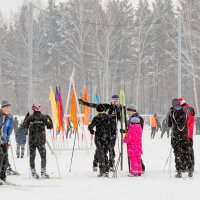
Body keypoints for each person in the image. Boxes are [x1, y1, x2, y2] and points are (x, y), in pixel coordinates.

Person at [79, 95, 121, 171]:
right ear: (111, 100)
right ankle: (95, 163)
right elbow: (95, 105)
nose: (114, 102)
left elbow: (122, 119)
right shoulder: (107, 106)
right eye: (113, 100)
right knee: (100, 148)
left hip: (112, 131)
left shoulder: (119, 109)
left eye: (116, 100)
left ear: (118, 101)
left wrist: (119, 114)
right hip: (103, 131)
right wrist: (84, 103)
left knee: (111, 148)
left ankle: (111, 164)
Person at [23, 103, 53, 179]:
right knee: (43, 157)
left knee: (32, 157)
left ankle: (33, 173)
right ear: (39, 108)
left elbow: (24, 126)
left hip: (32, 141)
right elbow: (50, 126)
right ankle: (43, 173)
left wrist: (26, 117)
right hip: (41, 141)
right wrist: (49, 119)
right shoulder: (44, 117)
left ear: (33, 109)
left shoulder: (30, 117)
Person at [167, 99, 192, 178]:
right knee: (186, 152)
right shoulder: (185, 112)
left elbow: (169, 124)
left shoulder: (171, 113)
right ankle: (189, 169)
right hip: (184, 135)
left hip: (175, 136)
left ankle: (179, 171)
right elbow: (187, 122)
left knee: (177, 153)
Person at [88, 104, 115, 177]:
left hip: (99, 138)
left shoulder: (97, 117)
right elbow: (113, 127)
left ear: (97, 110)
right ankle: (106, 170)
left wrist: (92, 131)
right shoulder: (109, 117)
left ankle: (102, 171)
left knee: (100, 153)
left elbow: (91, 126)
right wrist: (112, 134)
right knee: (105, 153)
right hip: (108, 138)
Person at [126, 105, 145, 173]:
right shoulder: (132, 117)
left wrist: (129, 135)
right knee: (136, 155)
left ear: (133, 111)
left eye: (129, 111)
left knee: (134, 156)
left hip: (134, 139)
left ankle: (138, 169)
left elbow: (136, 129)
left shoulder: (137, 118)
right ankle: (138, 169)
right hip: (134, 139)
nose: (128, 113)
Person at [178, 98, 195, 173]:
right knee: (190, 150)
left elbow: (185, 123)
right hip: (190, 134)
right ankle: (191, 166)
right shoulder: (190, 109)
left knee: (183, 151)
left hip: (184, 134)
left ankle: (185, 166)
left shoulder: (183, 111)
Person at [0, 100, 13, 184]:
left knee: (5, 160)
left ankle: (3, 178)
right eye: (6, 107)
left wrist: (7, 140)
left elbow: (7, 130)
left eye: (9, 107)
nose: (8, 109)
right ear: (2, 108)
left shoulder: (9, 117)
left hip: (4, 141)